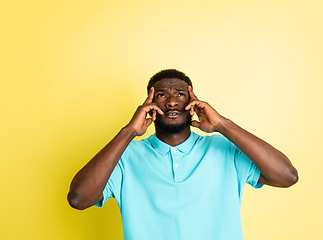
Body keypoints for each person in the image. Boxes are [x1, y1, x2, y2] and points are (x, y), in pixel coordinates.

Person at [67, 69, 298, 240]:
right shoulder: (126, 157)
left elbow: (287, 176)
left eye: (180, 94)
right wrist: (128, 132)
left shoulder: (224, 149)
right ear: (149, 104)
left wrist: (221, 125)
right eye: (161, 95)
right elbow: (79, 199)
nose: (171, 101)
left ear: (192, 102)